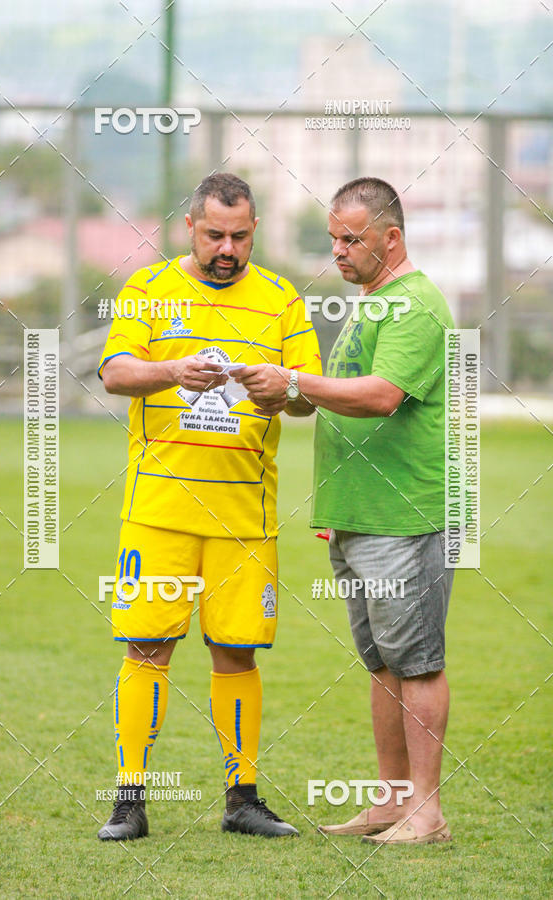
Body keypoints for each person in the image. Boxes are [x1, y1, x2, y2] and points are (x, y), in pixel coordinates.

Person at [96, 172, 321, 841]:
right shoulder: (149, 290)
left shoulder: (281, 299)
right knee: (147, 647)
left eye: (241, 236)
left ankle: (242, 798)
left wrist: (286, 390)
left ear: (255, 232)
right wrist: (170, 370)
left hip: (244, 520)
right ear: (189, 226)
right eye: (216, 234)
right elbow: (113, 373)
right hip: (159, 512)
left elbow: (308, 396)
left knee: (237, 652)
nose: (228, 248)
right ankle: (129, 801)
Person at [235, 177, 455, 845]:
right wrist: (286, 395)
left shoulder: (414, 305)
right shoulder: (370, 301)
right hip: (357, 513)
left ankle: (428, 812)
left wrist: (300, 382)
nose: (338, 249)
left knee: (416, 661)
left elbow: (382, 395)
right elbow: (339, 393)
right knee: (383, 662)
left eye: (351, 238)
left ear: (392, 237)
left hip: (403, 514)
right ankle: (391, 801)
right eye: (333, 237)